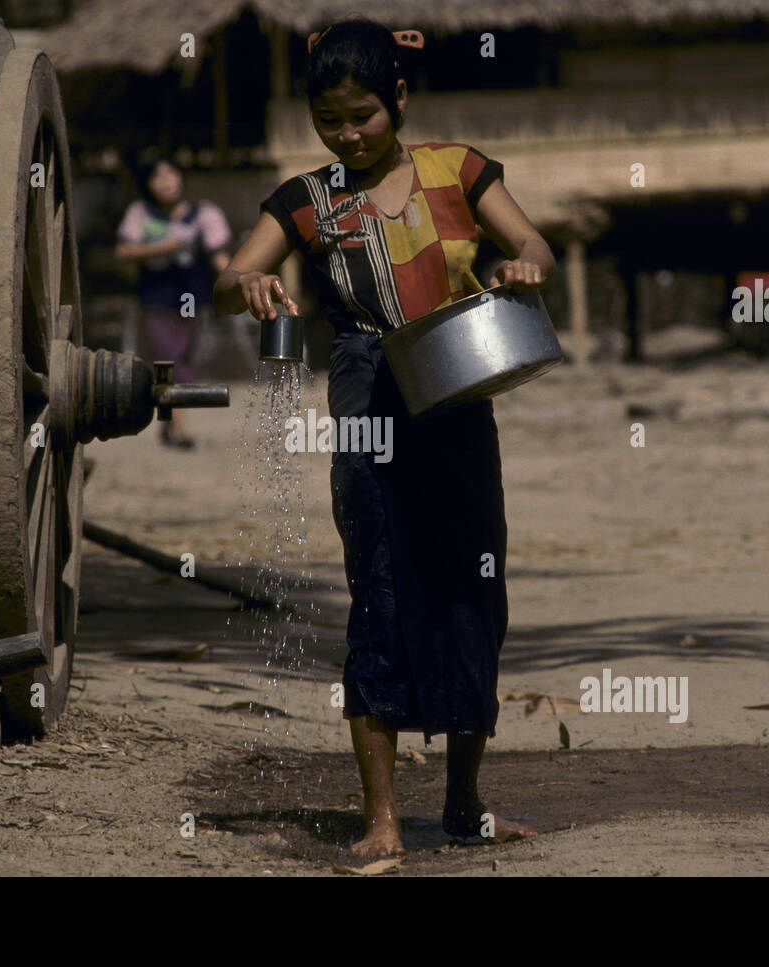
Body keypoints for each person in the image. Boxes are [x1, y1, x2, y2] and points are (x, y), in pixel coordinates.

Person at [213, 19, 556, 859]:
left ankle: (467, 804)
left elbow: (533, 240)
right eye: (329, 122)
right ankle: (384, 820)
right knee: (381, 588)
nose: (347, 135)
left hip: (459, 381)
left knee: (474, 588)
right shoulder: (309, 199)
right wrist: (253, 284)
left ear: (399, 99)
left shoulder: (460, 170)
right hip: (367, 389)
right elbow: (227, 280)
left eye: (362, 116)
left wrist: (524, 266)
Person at [116, 154, 232, 448]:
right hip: (155, 298)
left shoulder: (204, 213)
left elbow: (220, 256)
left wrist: (239, 280)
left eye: (170, 174)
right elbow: (123, 252)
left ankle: (167, 421)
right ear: (147, 184)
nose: (166, 182)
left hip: (191, 299)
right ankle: (181, 429)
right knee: (168, 361)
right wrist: (160, 248)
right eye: (158, 177)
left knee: (181, 359)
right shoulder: (141, 213)